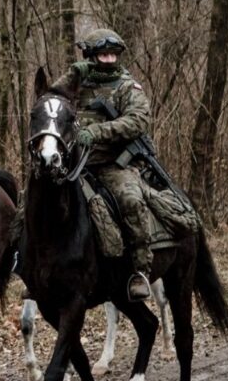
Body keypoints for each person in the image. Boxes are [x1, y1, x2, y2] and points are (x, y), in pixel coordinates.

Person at [51, 28, 154, 301]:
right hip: (76, 164)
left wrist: (98, 132)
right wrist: (73, 73)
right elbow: (51, 97)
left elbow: (138, 120)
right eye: (102, 54)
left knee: (131, 200)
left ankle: (139, 270)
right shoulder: (80, 81)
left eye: (112, 54)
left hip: (112, 165)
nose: (108, 59)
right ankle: (27, 262)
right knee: (37, 197)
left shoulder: (126, 86)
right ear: (91, 56)